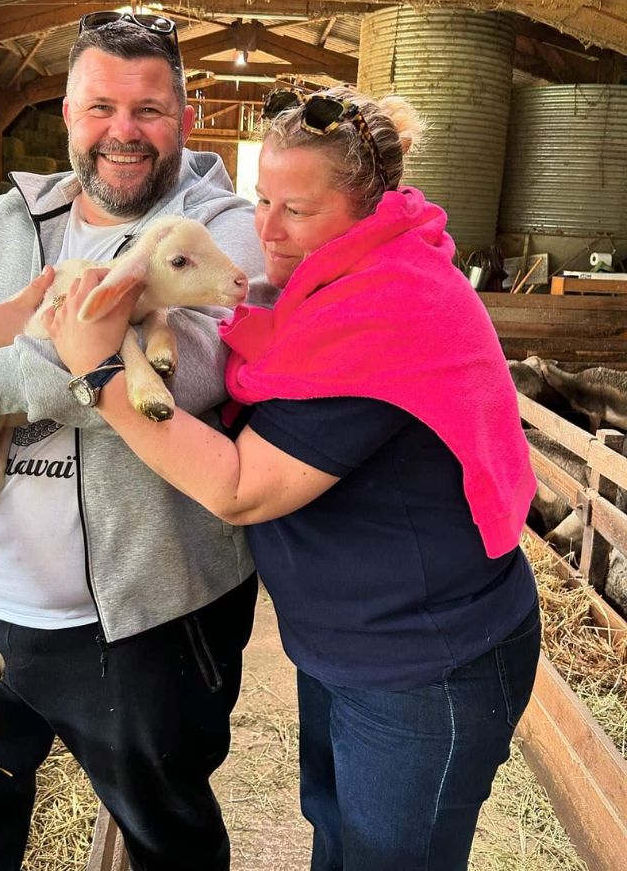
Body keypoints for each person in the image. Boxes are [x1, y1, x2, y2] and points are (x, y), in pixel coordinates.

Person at [43, 85, 542, 871]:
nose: (265, 230)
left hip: (425, 661)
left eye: (297, 210)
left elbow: (239, 487)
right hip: (349, 639)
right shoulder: (330, 281)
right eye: (262, 199)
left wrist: (100, 371)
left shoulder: (390, 307)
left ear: (366, 207)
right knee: (337, 835)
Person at [0, 12, 267, 871]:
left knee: (168, 837)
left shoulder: (222, 225)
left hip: (150, 617)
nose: (123, 131)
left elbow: (193, 371)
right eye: (100, 107)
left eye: (149, 109)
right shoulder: (9, 220)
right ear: (70, 114)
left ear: (185, 117)